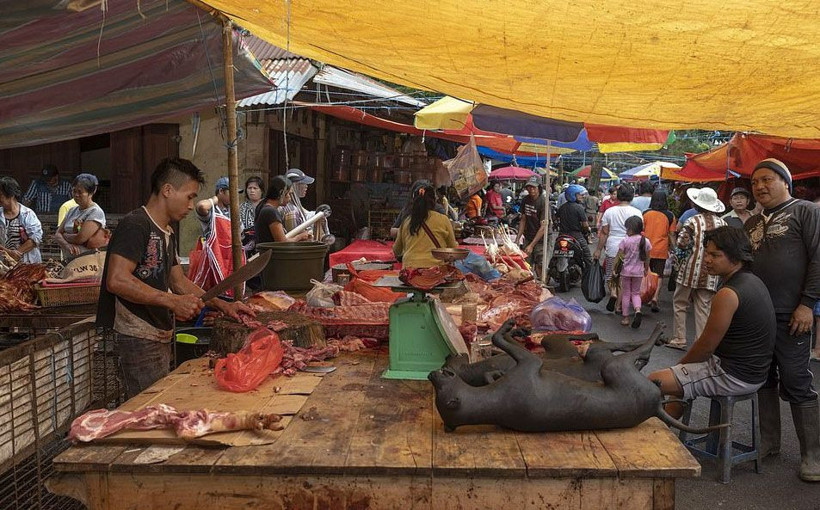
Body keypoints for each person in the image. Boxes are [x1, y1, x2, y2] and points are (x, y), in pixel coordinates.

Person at [97, 158, 252, 398]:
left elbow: (179, 282)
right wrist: (171, 302)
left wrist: (223, 304)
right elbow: (116, 280)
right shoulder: (135, 224)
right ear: (168, 190)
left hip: (158, 335)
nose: (192, 205)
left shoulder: (166, 232)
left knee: (159, 405)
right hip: (137, 337)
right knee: (147, 412)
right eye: (189, 196)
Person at [745, 158, 820, 482]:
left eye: (767, 179)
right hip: (758, 316)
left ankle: (813, 456)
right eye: (754, 182)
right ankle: (769, 444)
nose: (760, 186)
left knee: (796, 379)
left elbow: (819, 258)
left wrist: (807, 304)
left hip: (793, 315)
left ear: (785, 182)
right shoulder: (749, 224)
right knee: (763, 378)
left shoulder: (806, 211)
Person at [649, 226, 776, 418]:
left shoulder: (728, 294)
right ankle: (662, 430)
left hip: (734, 375)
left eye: (715, 255)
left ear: (736, 257)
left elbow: (705, 347)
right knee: (677, 383)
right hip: (753, 373)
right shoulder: (752, 281)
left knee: (653, 381)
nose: (707, 260)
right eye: (706, 254)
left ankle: (654, 433)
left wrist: (678, 368)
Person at [667, 187, 726, 350]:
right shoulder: (722, 223)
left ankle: (679, 338)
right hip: (711, 273)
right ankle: (700, 342)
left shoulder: (693, 221)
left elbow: (681, 243)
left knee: (680, 303)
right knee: (703, 307)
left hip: (689, 271)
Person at [594, 183, 642, 312]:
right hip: (631, 248)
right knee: (623, 278)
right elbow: (640, 233)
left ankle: (613, 292)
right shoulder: (637, 212)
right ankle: (619, 306)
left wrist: (598, 249)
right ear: (631, 196)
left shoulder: (610, 211)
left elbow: (604, 232)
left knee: (611, 275)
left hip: (613, 246)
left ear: (618, 196)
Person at [392, 180, 458, 268]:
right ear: (434, 200)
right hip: (436, 273)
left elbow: (397, 250)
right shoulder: (443, 219)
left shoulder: (406, 221)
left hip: (410, 274)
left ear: (414, 200)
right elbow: (452, 249)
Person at [54, 174, 107, 259]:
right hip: (69, 260)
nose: (76, 195)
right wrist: (67, 245)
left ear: (90, 193)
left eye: (80, 192)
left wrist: (65, 235)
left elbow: (80, 238)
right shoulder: (72, 211)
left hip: (87, 263)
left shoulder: (95, 212)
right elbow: (57, 234)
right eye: (74, 191)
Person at [643, 189, 676, 312]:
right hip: (661, 249)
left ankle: (645, 295)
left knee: (646, 272)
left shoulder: (645, 213)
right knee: (659, 274)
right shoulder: (670, 215)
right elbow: (672, 234)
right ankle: (655, 297)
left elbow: (641, 230)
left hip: (646, 248)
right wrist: (675, 248)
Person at [281, 169, 333, 244]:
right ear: (294, 185)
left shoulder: (296, 206)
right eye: (303, 183)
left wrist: (318, 216)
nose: (306, 186)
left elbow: (306, 215)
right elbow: (296, 239)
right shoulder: (291, 210)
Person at [617, 216, 651, 328]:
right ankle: (637, 310)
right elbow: (647, 257)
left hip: (626, 271)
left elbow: (619, 256)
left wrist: (614, 269)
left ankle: (626, 318)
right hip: (639, 271)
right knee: (636, 293)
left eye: (627, 228)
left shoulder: (625, 240)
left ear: (630, 229)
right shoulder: (645, 241)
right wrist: (646, 268)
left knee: (626, 293)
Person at [256, 176, 311, 244]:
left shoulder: (266, 208)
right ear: (281, 193)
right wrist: (300, 237)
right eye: (289, 194)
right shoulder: (270, 212)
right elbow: (282, 242)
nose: (290, 198)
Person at [0, 176, 42, 264]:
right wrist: (9, 253)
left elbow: (35, 238)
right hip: (3, 264)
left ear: (11, 195)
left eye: (1, 195)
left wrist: (16, 253)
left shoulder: (28, 214)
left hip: (28, 264)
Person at [556, 184, 593, 265]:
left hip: (562, 235)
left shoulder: (562, 207)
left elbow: (556, 219)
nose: (582, 196)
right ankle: (588, 276)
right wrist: (588, 230)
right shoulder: (579, 208)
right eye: (580, 194)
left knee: (554, 256)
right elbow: (585, 225)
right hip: (576, 236)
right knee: (588, 258)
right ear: (573, 195)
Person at [517, 177, 546, 266]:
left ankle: (541, 280)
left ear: (539, 188)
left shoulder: (543, 202)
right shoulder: (525, 200)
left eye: (534, 187)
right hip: (528, 235)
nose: (531, 190)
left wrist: (532, 245)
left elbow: (543, 226)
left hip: (542, 238)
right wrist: (518, 238)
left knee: (540, 264)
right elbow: (523, 220)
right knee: (525, 263)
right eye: (529, 187)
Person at [238, 176, 264, 257]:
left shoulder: (266, 206)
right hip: (246, 248)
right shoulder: (241, 207)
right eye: (249, 188)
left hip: (263, 246)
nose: (252, 191)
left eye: (255, 188)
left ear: (261, 190)